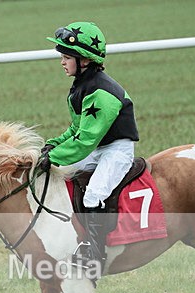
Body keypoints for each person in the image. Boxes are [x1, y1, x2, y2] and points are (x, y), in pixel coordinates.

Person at [39, 21, 139, 270]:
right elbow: (77, 130)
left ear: (83, 60)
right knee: (61, 178)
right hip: (98, 150)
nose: (62, 62)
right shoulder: (82, 87)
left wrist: (55, 157)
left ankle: (95, 253)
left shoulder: (101, 92)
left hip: (116, 151)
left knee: (94, 193)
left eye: (66, 57)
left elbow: (85, 140)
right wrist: (52, 146)